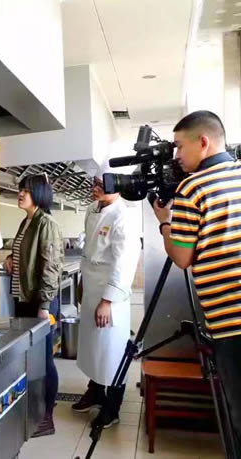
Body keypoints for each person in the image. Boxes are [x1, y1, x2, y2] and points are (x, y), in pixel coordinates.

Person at [153, 110, 241, 450]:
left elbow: (182, 258)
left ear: (203, 142)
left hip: (230, 324)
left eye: (179, 146)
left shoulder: (193, 188)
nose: (176, 156)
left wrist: (165, 221)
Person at [72, 163, 141, 428]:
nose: (95, 186)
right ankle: (95, 393)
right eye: (94, 181)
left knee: (111, 352)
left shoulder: (124, 216)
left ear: (117, 183)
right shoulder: (92, 209)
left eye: (101, 182)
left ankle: (112, 408)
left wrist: (107, 300)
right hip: (91, 289)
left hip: (110, 296)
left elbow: (124, 263)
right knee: (92, 349)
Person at [3, 174, 64, 437]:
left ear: (39, 194)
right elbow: (23, 255)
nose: (20, 194)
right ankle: (33, 411)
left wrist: (44, 306)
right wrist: (9, 259)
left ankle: (46, 417)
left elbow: (51, 267)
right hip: (24, 299)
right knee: (30, 359)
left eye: (26, 190)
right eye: (20, 189)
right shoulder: (26, 222)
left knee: (44, 359)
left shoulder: (45, 223)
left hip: (39, 303)